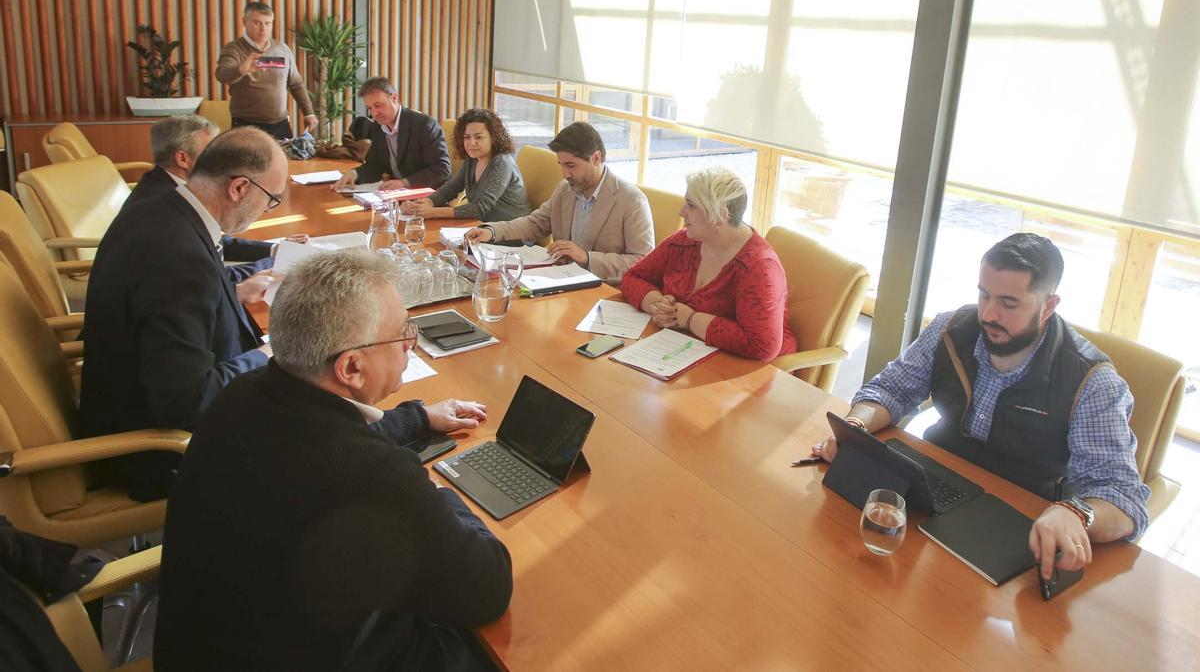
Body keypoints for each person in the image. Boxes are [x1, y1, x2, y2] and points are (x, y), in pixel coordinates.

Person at [155, 250, 511, 672]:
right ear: (351, 367)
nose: (408, 345)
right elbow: (486, 588)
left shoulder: (244, 394)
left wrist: (417, 417)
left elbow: (323, 442)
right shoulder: (374, 474)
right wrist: (439, 495)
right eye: (402, 334)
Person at [811, 233, 1150, 581]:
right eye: (984, 295)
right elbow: (891, 390)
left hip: (1020, 517)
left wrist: (1077, 514)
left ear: (1048, 305)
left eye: (1008, 303)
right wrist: (856, 426)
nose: (989, 314)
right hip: (933, 486)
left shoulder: (1091, 381)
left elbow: (1124, 498)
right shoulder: (951, 328)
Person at [80, 127, 286, 501]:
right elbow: (186, 402)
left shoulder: (161, 208)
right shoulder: (179, 258)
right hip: (155, 452)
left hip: (125, 403)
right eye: (271, 199)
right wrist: (269, 356)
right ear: (239, 188)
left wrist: (232, 295)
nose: (267, 209)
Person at [620, 167, 796, 361]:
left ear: (720, 216)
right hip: (684, 353)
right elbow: (632, 278)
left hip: (750, 373)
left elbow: (762, 345)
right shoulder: (684, 241)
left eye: (691, 205)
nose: (681, 212)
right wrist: (657, 305)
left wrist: (690, 319)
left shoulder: (759, 268)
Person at [463, 121, 654, 282]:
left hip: (602, 288)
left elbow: (643, 262)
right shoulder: (566, 188)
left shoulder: (631, 200)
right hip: (560, 279)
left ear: (596, 158)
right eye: (561, 165)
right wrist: (492, 231)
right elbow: (535, 223)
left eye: (571, 165)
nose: (565, 174)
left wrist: (586, 258)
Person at [125, 114, 308, 280]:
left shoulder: (172, 193)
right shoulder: (168, 223)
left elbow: (214, 240)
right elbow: (207, 276)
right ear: (182, 159)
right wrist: (277, 262)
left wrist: (273, 250)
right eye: (211, 150)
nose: (221, 156)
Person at [400, 107, 531, 222]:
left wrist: (432, 212)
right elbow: (450, 189)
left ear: (494, 137)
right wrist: (423, 204)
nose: (471, 143)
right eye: (467, 137)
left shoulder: (501, 162)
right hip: (482, 229)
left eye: (478, 137)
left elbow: (479, 208)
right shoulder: (473, 159)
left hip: (513, 234)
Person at [215, 1, 316, 140]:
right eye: (257, 23)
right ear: (244, 22)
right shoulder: (233, 49)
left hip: (280, 124)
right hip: (246, 124)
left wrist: (308, 113)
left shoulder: (282, 48)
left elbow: (296, 84)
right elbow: (222, 75)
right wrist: (241, 70)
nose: (263, 29)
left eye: (268, 23)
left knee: (285, 161)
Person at [332, 76, 451, 191]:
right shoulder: (376, 127)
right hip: (398, 195)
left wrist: (404, 183)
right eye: (370, 108)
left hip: (431, 194)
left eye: (378, 106)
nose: (374, 114)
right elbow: (375, 166)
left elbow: (441, 169)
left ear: (394, 98)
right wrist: (355, 173)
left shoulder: (424, 125)